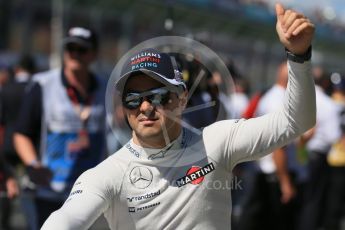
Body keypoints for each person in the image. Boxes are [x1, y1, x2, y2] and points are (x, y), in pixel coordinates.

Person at [42, 4, 316, 229]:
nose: (146, 107)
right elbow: (66, 220)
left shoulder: (216, 141)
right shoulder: (107, 175)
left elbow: (296, 122)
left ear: (182, 98)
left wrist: (299, 56)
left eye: (158, 95)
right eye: (133, 99)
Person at [14, 26, 107, 228]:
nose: (75, 54)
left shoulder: (106, 88)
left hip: (89, 194)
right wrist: (32, 165)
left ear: (93, 54)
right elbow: (21, 133)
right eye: (70, 48)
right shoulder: (43, 84)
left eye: (81, 50)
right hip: (49, 192)